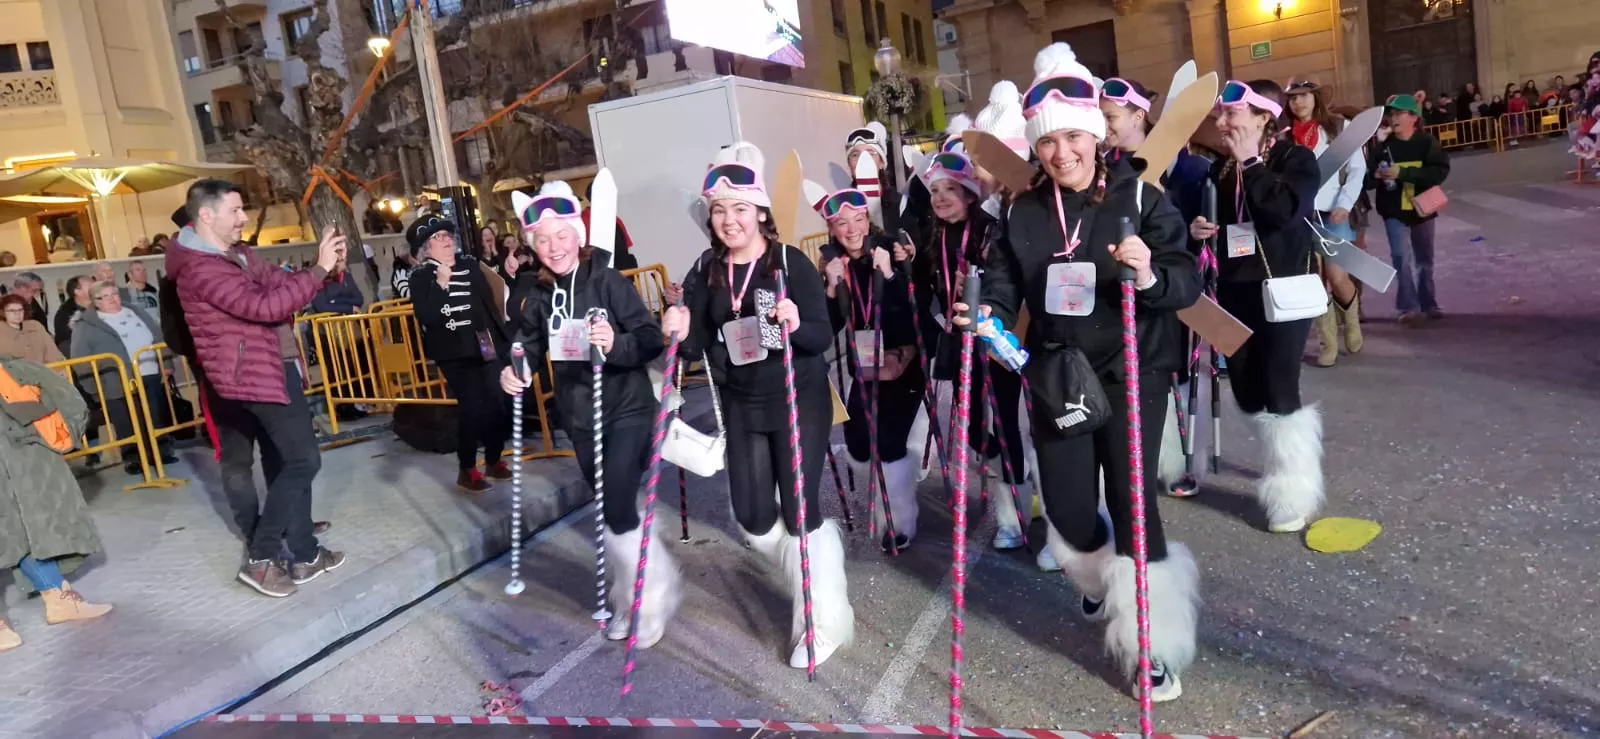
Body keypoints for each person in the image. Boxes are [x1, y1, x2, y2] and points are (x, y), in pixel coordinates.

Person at [957, 42, 1202, 703]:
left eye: (1073, 136)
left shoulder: (1137, 195)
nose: (1061, 152)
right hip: (1058, 373)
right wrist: (987, 317)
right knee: (1067, 518)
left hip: (1132, 368)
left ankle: (1150, 644)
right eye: (1047, 142)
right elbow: (1005, 283)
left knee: (1133, 504)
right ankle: (1098, 583)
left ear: (1095, 132)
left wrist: (1149, 271)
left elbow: (1185, 279)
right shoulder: (1024, 210)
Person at [660, 141, 854, 668]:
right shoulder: (705, 269)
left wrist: (796, 321)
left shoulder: (790, 263)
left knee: (800, 510)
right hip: (741, 405)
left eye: (740, 208)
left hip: (798, 400)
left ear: (761, 212)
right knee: (751, 515)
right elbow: (697, 343)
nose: (729, 220)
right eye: (719, 210)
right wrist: (676, 328)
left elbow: (821, 333)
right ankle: (802, 566)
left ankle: (822, 618)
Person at [500, 180, 678, 646]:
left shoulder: (607, 279)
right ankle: (627, 593)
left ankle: (651, 594)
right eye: (543, 239)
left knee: (618, 505)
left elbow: (648, 338)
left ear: (577, 236)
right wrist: (514, 370)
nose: (554, 247)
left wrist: (614, 344)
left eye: (561, 236)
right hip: (580, 417)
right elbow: (528, 347)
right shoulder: (535, 294)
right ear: (532, 245)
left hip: (627, 408)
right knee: (612, 509)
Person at [166, 179, 346, 599]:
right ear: (206, 216)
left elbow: (278, 288)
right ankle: (262, 557)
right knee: (302, 461)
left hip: (268, 368)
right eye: (236, 210)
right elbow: (264, 307)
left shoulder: (240, 255)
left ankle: (303, 553)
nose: (244, 218)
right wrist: (316, 271)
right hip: (250, 376)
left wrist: (318, 271)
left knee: (286, 462)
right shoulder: (199, 267)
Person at [1188, 79, 1325, 535]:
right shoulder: (1220, 169)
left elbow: (1284, 211)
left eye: (1233, 115)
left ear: (1265, 116)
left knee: (1280, 386)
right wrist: (1203, 229)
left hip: (1285, 291)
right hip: (1235, 290)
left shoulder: (1296, 160)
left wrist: (1251, 161)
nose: (1223, 124)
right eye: (1221, 116)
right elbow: (1229, 226)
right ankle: (1276, 459)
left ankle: (1293, 491)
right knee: (1247, 389)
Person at [902, 149, 1030, 553]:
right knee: (974, 428)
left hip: (992, 339)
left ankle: (1014, 515)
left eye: (951, 190)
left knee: (1006, 424)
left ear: (971, 194)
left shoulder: (991, 230)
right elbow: (924, 284)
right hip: (959, 344)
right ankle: (1009, 470)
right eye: (935, 190)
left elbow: (1005, 279)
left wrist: (991, 305)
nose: (940, 198)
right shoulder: (933, 233)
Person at [817, 184, 923, 551]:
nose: (851, 230)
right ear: (831, 228)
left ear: (868, 220)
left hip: (903, 363)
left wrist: (891, 277)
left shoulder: (892, 251)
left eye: (858, 219)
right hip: (865, 367)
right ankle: (889, 488)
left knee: (890, 445)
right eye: (841, 223)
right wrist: (831, 289)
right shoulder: (834, 265)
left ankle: (900, 521)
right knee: (859, 447)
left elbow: (912, 320)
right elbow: (826, 328)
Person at [0, 356, 113, 652]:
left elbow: (65, 397)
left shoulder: (14, 369)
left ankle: (58, 598)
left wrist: (60, 434)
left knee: (26, 526)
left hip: (22, 462)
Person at [407, 214, 513, 493]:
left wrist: (509, 273)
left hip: (484, 344)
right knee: (472, 409)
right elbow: (426, 316)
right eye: (437, 238)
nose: (445, 241)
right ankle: (467, 468)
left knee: (499, 403)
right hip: (453, 353)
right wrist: (440, 285)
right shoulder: (420, 277)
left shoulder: (469, 265)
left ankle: (493, 459)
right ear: (425, 249)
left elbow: (492, 298)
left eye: (447, 236)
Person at [1284, 80, 1368, 367]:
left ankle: (1352, 320)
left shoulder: (1337, 128)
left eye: (1303, 96)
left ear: (1315, 97)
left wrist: (1345, 203)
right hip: (1301, 216)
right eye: (1293, 98)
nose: (1298, 103)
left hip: (1334, 213)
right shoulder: (1285, 137)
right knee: (1315, 278)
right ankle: (1327, 343)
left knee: (1336, 275)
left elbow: (1357, 169)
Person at [69, 281, 178, 474]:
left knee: (155, 415)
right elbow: (80, 360)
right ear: (96, 301)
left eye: (115, 294)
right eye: (105, 296)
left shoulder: (136, 311)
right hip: (115, 380)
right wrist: (94, 389)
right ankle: (133, 458)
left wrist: (166, 363)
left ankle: (161, 451)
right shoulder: (85, 325)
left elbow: (157, 336)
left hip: (149, 371)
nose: (112, 299)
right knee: (125, 420)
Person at [1367, 93, 1449, 325]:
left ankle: (1428, 303)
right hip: (1394, 210)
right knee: (1400, 256)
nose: (1393, 118)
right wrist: (1376, 175)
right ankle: (1407, 305)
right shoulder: (1383, 147)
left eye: (1398, 113)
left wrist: (1402, 173)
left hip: (1422, 209)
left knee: (1424, 258)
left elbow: (1438, 172)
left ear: (1413, 117)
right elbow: (1366, 179)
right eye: (1391, 114)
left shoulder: (1426, 143)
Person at [581, 181, 638, 270]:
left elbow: (627, 249)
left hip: (624, 273)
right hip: (598, 275)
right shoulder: (582, 221)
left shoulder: (616, 220)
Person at [0, 294, 62, 364]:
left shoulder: (35, 326)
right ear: (3, 312)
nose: (17, 314)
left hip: (45, 371)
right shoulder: (2, 333)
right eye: (12, 311)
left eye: (20, 310)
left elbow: (53, 353)